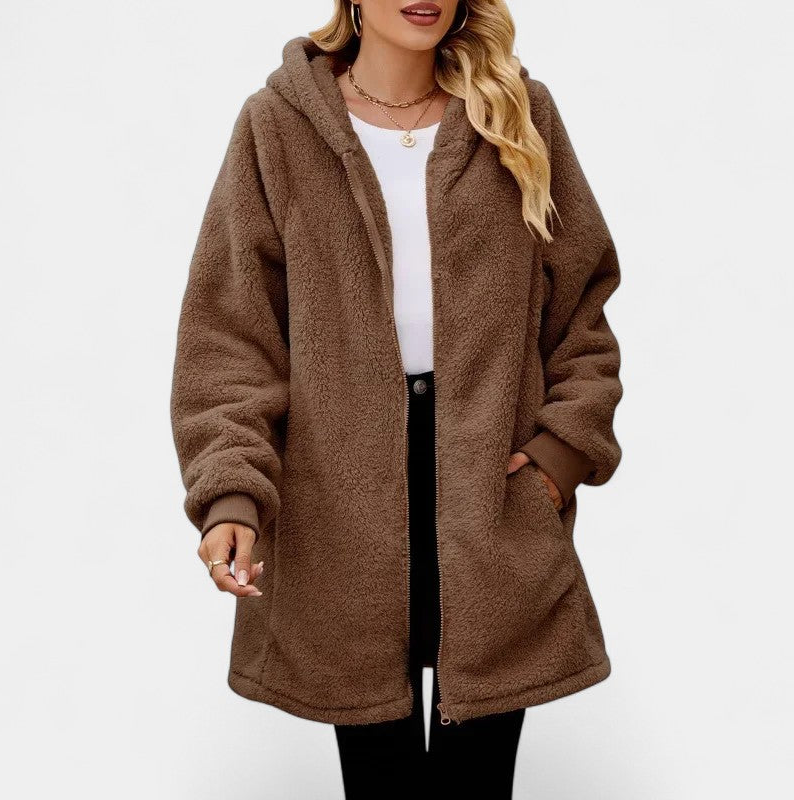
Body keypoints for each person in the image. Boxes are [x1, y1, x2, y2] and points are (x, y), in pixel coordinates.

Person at [170, 1, 623, 797]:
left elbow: (581, 310)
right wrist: (230, 495)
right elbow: (231, 337)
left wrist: (556, 460)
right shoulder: (278, 127)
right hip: (337, 504)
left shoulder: (516, 113)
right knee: (380, 784)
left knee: (476, 782)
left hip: (493, 490)